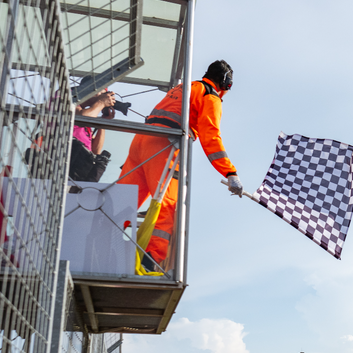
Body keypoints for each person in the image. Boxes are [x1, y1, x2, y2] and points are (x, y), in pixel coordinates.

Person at [117, 60, 242, 267]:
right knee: (167, 204)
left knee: (123, 201)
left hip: (141, 140)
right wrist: (230, 173)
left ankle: (97, 240)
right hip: (165, 146)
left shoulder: (185, 87)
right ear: (226, 83)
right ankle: (151, 261)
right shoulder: (209, 96)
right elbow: (211, 137)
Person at [70, 89, 115, 182]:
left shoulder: (87, 123)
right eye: (103, 93)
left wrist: (102, 122)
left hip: (79, 169)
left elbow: (95, 151)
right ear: (91, 88)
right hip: (65, 160)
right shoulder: (67, 96)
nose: (105, 97)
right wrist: (101, 102)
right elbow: (82, 118)